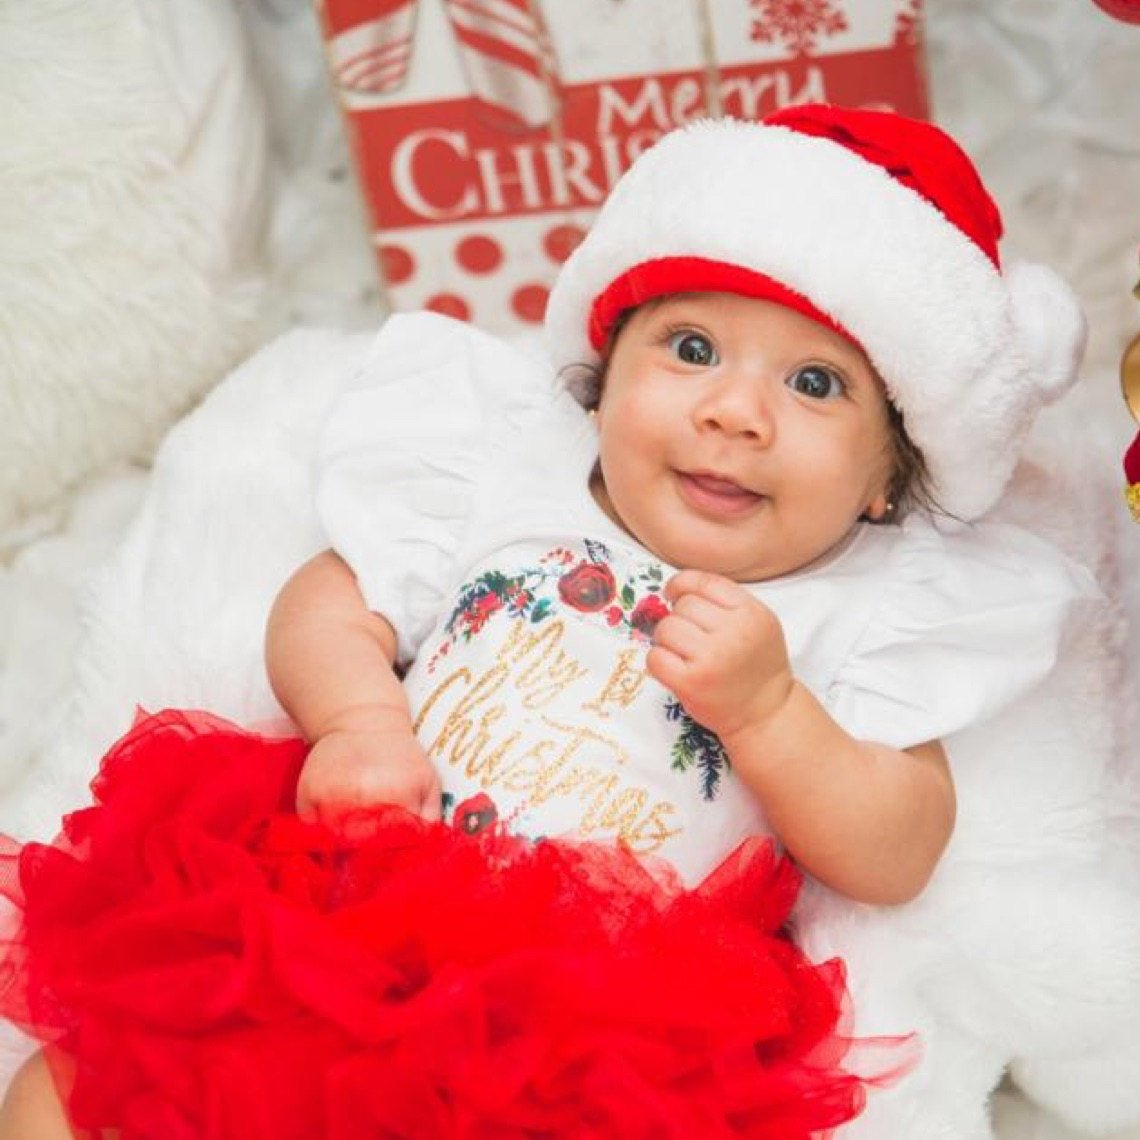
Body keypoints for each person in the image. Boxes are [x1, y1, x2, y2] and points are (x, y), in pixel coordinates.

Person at [0, 104, 1093, 1139]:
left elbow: (896, 848)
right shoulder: (505, 476)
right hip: (348, 913)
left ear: (883, 483)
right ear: (604, 376)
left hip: (595, 1015)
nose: (733, 412)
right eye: (692, 350)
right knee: (89, 1081)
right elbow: (331, 600)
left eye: (815, 384)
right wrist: (356, 722)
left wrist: (771, 713)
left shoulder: (866, 607)